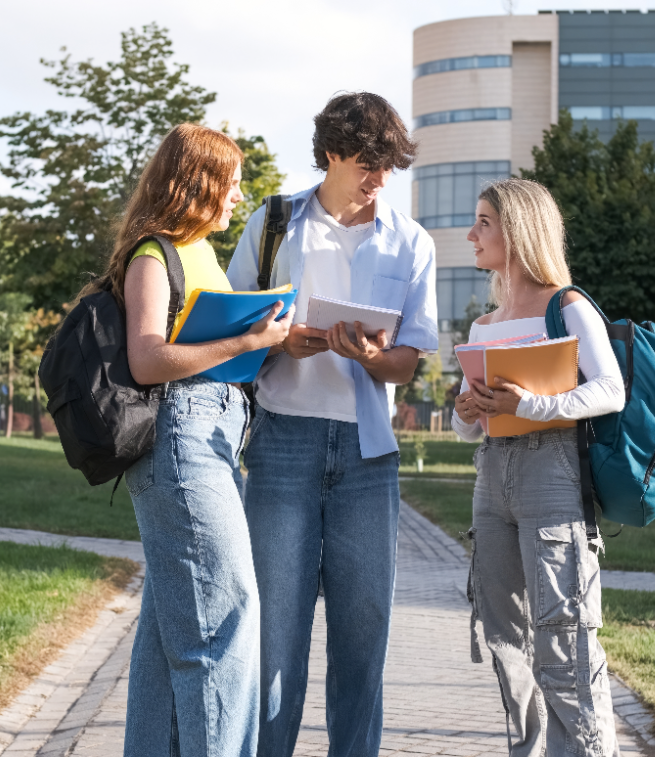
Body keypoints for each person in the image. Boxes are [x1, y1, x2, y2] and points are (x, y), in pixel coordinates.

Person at [226, 92, 439, 757]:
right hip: (283, 443)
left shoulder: (411, 241)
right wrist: (279, 342)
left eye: (388, 166)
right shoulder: (272, 224)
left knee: (362, 635)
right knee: (276, 641)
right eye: (368, 163)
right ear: (330, 154)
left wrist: (375, 357)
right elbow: (232, 328)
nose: (380, 178)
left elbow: (410, 361)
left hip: (367, 458)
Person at [112, 123, 291, 757]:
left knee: (169, 637)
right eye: (232, 184)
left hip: (214, 437)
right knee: (224, 624)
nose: (239, 197)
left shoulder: (203, 254)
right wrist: (246, 341)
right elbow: (148, 359)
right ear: (199, 184)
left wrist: (268, 339)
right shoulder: (152, 255)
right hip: (182, 444)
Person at [451, 178, 624, 756]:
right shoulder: (484, 325)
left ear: (519, 230)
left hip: (553, 477)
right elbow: (466, 426)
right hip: (491, 478)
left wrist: (533, 405)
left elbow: (610, 390)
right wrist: (466, 409)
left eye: (483, 223)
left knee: (564, 637)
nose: (471, 234)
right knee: (503, 638)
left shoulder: (565, 305)